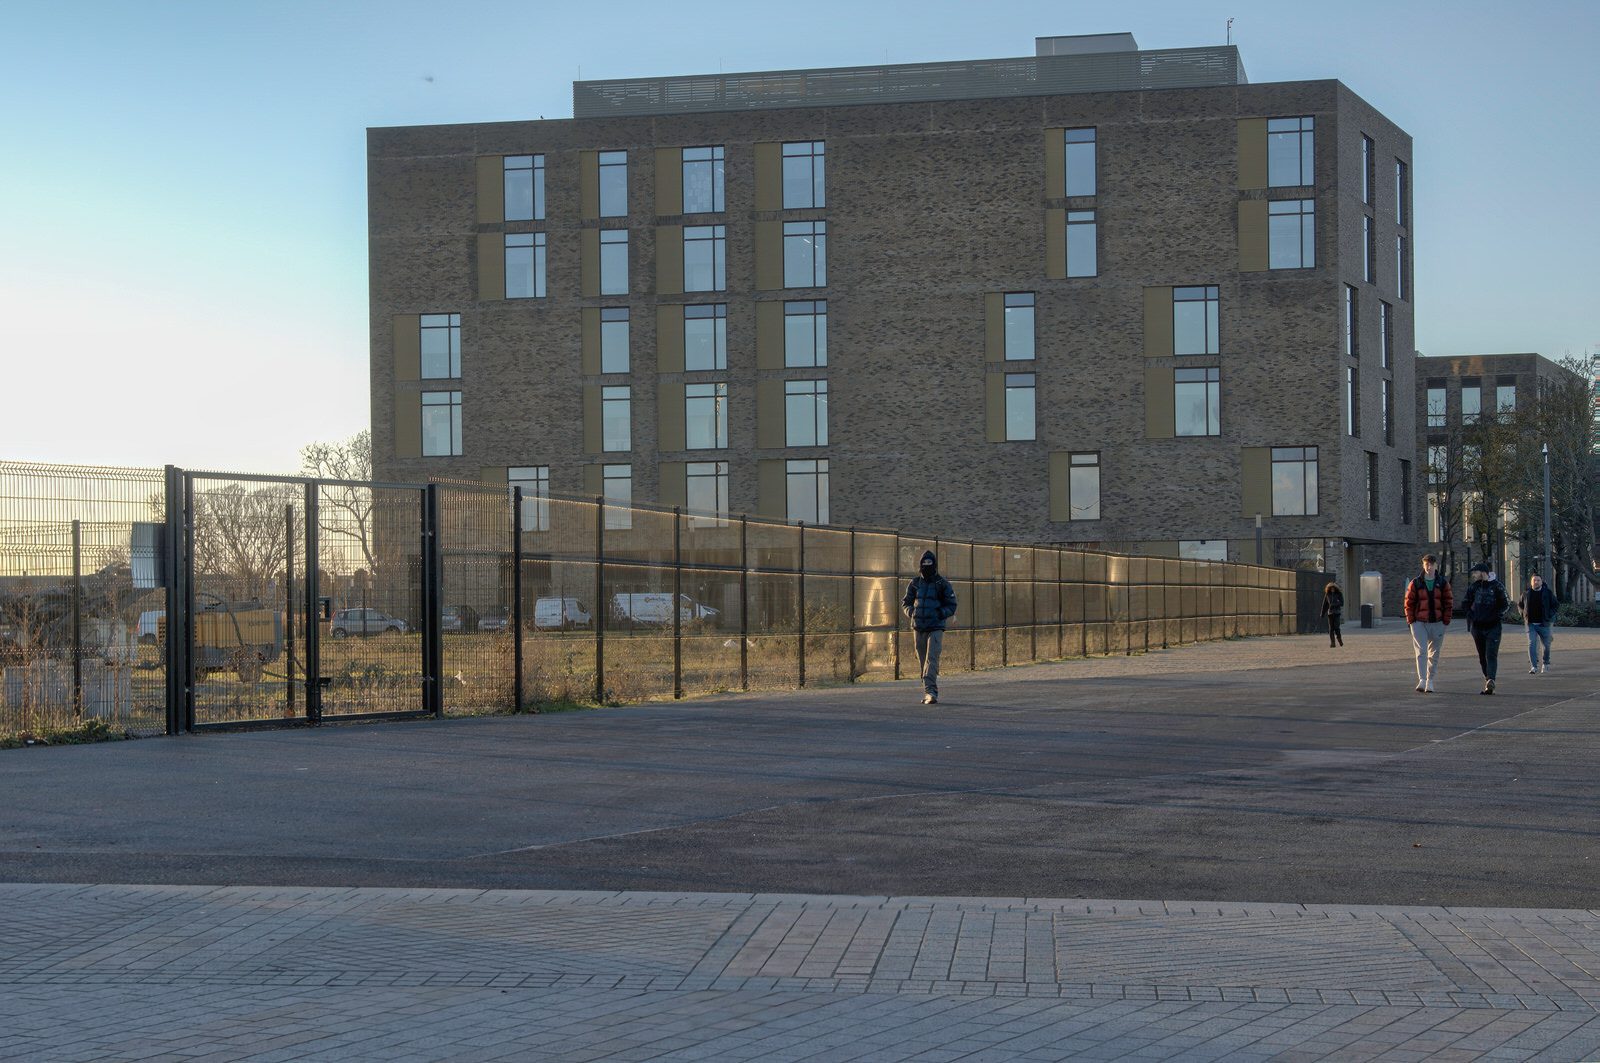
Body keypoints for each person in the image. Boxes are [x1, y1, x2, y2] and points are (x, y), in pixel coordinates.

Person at [901, 550, 958, 705]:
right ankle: (927, 689)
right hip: (918, 627)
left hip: (936, 627)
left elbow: (952, 604)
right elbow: (906, 603)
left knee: (931, 659)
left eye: (929, 563)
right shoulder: (915, 583)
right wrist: (911, 612)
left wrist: (940, 613)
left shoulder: (942, 584)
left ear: (934, 565)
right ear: (920, 565)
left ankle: (931, 692)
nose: (927, 566)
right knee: (922, 660)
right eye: (924, 564)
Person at [1402, 554, 1452, 693]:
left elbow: (1448, 602)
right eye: (1426, 564)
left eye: (1431, 564)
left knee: (1434, 653)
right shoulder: (1416, 583)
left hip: (1438, 622)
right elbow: (1408, 603)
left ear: (1436, 566)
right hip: (1419, 622)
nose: (1429, 567)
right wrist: (1411, 621)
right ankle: (1422, 680)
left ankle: (1430, 680)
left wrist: (1445, 621)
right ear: (1423, 566)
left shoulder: (1442, 583)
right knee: (1421, 651)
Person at [1461, 561, 1509, 695]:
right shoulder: (1473, 587)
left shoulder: (1497, 586)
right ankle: (1487, 679)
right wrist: (1471, 615)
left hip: (1493, 627)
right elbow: (1465, 603)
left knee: (1491, 655)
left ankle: (1491, 679)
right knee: (1482, 656)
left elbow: (1506, 604)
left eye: (1475, 572)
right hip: (1477, 627)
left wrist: (1496, 615)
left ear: (1483, 572)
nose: (1474, 575)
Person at [1519, 573, 1558, 674]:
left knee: (1546, 646)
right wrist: (1523, 614)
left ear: (1541, 581)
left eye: (1538, 580)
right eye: (1534, 580)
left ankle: (1545, 662)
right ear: (1531, 582)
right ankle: (1533, 666)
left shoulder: (1548, 593)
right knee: (1531, 644)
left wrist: (1549, 615)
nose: (1536, 582)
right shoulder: (1526, 593)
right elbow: (1520, 605)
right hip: (1530, 624)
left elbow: (1555, 605)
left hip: (1544, 624)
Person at [1320, 582, 1345, 647]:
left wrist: (1335, 604)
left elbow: (1342, 603)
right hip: (1330, 613)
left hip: (1337, 613)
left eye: (1333, 588)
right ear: (1329, 589)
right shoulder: (1327, 594)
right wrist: (1322, 613)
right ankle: (1332, 643)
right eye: (1331, 588)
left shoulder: (1339, 594)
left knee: (1337, 627)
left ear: (1335, 588)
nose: (1332, 589)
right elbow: (1325, 605)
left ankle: (1339, 639)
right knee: (1331, 629)